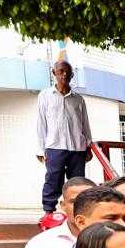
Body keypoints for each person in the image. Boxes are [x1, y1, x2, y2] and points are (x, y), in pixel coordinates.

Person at [35, 60, 93, 214]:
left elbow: (85, 123)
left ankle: (78, 212)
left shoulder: (78, 99)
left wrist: (88, 146)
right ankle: (48, 212)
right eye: (60, 71)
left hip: (77, 147)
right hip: (54, 147)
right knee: (53, 179)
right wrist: (41, 150)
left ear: (72, 75)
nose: (64, 74)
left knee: (78, 182)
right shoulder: (45, 96)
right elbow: (41, 123)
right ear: (54, 73)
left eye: (67, 72)